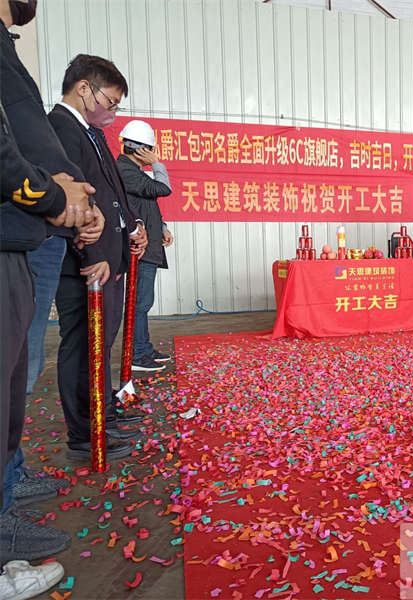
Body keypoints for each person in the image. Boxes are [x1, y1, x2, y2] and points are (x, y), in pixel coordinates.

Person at [1, 0, 104, 582]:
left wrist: (74, 199)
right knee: (17, 370)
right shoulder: (65, 119)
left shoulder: (7, 46)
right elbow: (12, 154)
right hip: (25, 227)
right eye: (109, 100)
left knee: (18, 372)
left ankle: (9, 478)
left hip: (32, 230)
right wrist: (57, 195)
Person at [48, 54, 148, 461]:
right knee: (82, 346)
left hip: (109, 256)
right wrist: (92, 252)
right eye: (110, 101)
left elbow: (111, 192)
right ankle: (85, 433)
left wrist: (133, 227)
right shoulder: (60, 128)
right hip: (87, 263)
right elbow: (76, 198)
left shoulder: (90, 133)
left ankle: (102, 412)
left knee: (100, 344)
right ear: (84, 88)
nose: (113, 112)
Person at [116, 120, 174, 372]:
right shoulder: (125, 171)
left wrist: (162, 228)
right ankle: (138, 354)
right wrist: (157, 163)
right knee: (140, 303)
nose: (153, 153)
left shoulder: (133, 172)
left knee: (143, 302)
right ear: (141, 149)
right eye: (151, 149)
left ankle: (144, 347)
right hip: (139, 249)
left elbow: (145, 205)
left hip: (148, 245)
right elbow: (163, 188)